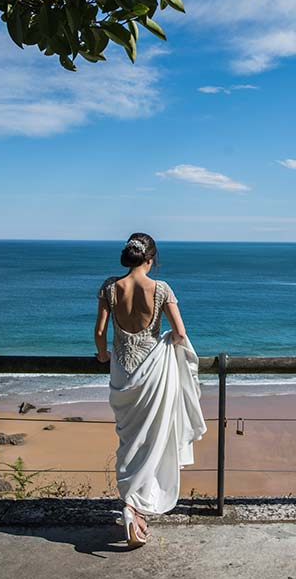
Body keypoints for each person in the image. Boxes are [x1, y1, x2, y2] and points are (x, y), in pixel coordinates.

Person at [94, 232, 207, 547]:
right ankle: (133, 506)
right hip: (152, 372)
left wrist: (103, 355)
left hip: (121, 372)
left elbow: (101, 331)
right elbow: (181, 333)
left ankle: (134, 508)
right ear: (151, 258)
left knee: (129, 440)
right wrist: (169, 339)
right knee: (150, 441)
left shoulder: (109, 287)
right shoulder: (161, 289)